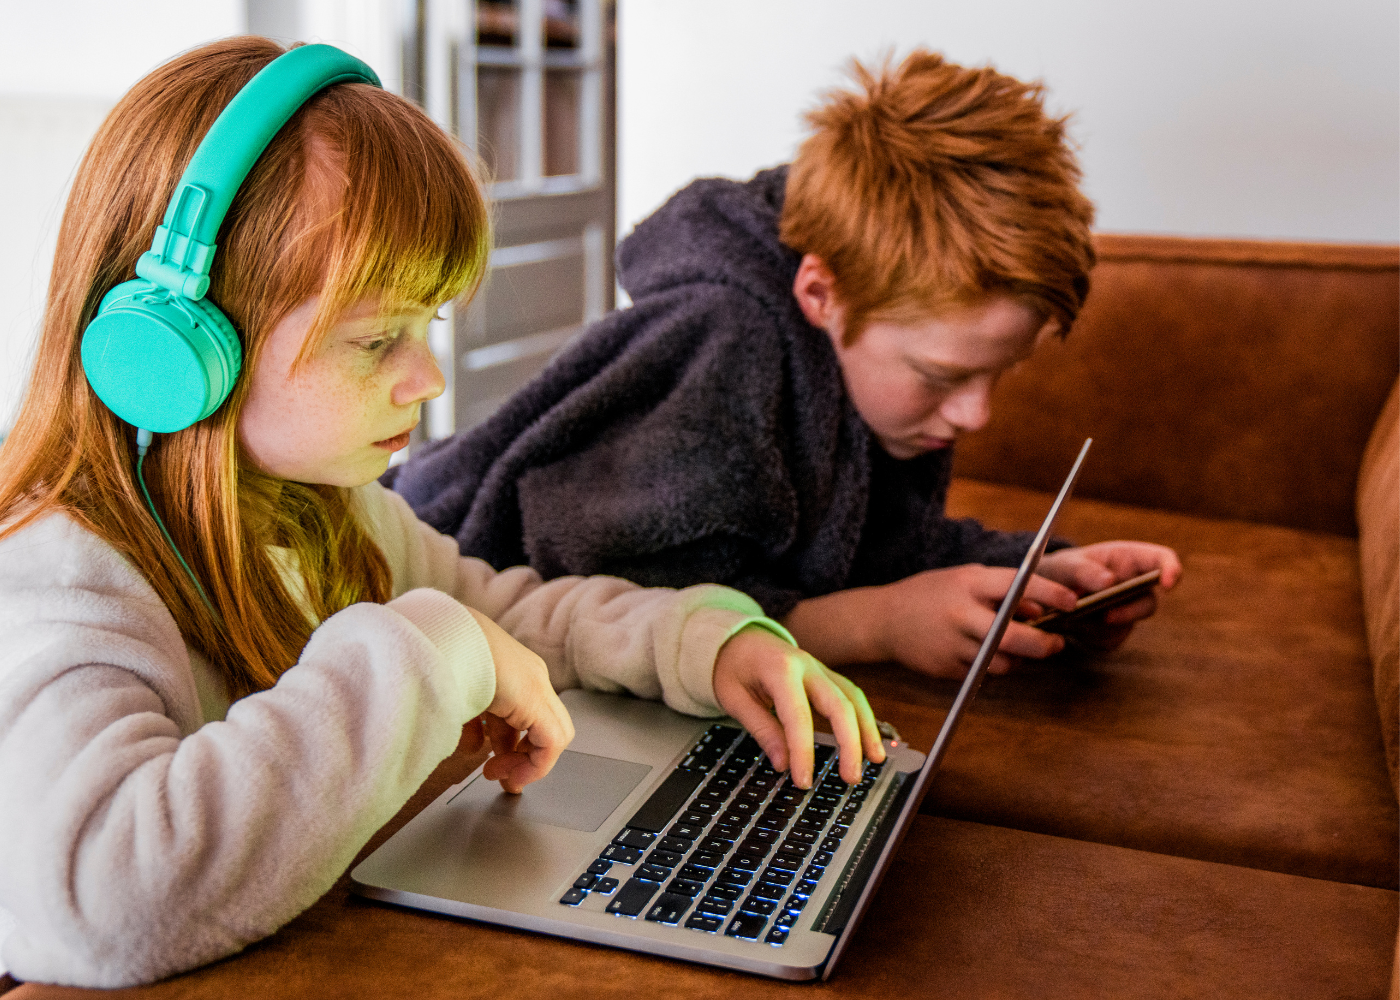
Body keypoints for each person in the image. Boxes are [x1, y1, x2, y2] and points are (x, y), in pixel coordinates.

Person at [0, 38, 884, 988]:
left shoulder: (320, 511)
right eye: (376, 338)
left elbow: (505, 612)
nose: (426, 378)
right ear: (171, 352)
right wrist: (426, 647)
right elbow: (94, 903)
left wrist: (700, 643)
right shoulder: (66, 578)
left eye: (428, 325)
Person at [386, 50, 1183, 680]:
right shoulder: (726, 346)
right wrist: (881, 625)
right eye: (942, 377)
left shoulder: (872, 381)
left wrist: (1043, 572)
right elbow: (628, 603)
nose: (977, 414)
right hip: (429, 597)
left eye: (997, 376)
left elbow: (874, 544)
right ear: (820, 293)